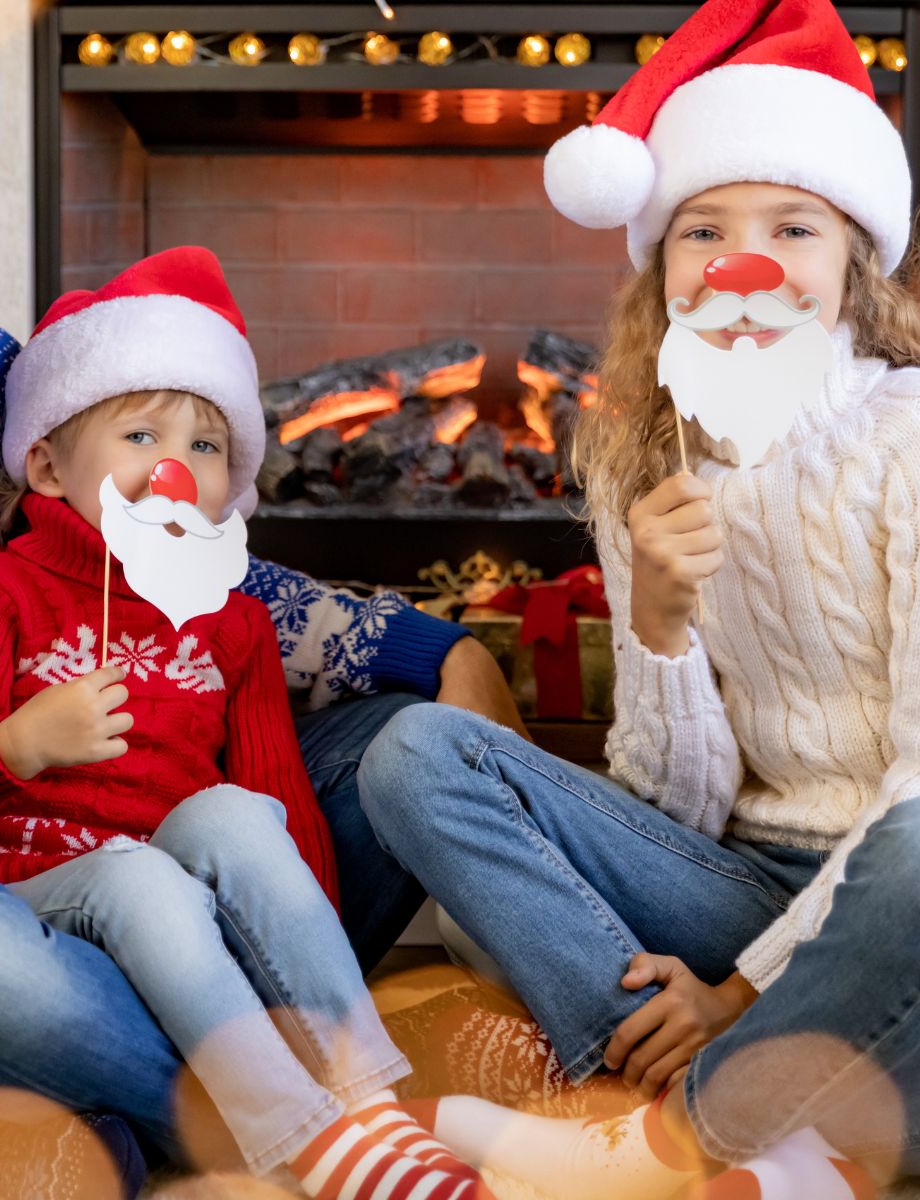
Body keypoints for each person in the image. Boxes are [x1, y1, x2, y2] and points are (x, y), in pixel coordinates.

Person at [0, 1, 522, 1189]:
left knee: (386, 753)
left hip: (42, 862)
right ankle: (326, 1126)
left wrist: (413, 645)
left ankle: (85, 1105)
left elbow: (137, 537)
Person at [358, 0, 920, 1196]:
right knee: (418, 756)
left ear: (853, 262)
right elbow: (672, 805)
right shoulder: (643, 462)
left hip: (881, 893)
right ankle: (676, 1095)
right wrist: (658, 629)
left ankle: (673, 1137)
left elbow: (913, 797)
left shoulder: (907, 445)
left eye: (793, 227)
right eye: (701, 228)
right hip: (731, 875)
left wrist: (740, 992)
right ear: (661, 266)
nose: (742, 262)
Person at [0, 246, 499, 1200]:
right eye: (139, 436)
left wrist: (302, 955)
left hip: (188, 932)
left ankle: (369, 1104)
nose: (174, 467)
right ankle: (305, 1140)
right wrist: (20, 745)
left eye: (204, 447)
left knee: (235, 818)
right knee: (141, 884)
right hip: (29, 911)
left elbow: (282, 817)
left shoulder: (237, 620)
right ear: (45, 463)